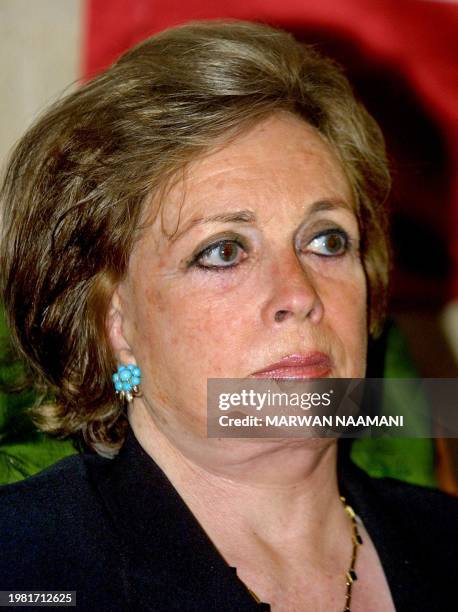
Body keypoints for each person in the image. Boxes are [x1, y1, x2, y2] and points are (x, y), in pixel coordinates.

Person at [0, 19, 456, 612]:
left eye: (327, 241)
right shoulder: (25, 565)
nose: (300, 294)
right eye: (223, 251)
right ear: (115, 323)